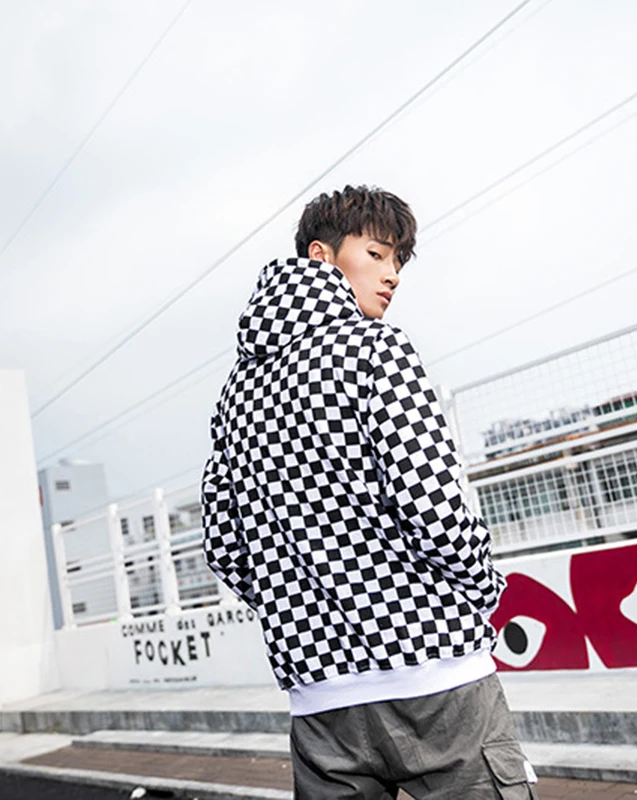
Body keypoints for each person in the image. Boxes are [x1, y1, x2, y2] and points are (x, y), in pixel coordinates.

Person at [202, 185, 539, 799]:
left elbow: (224, 546)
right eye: (377, 254)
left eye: (398, 261)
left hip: (320, 700)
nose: (393, 275)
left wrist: (297, 602)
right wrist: (480, 591)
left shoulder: (237, 389)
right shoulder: (375, 349)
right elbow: (433, 503)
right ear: (322, 256)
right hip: (435, 673)